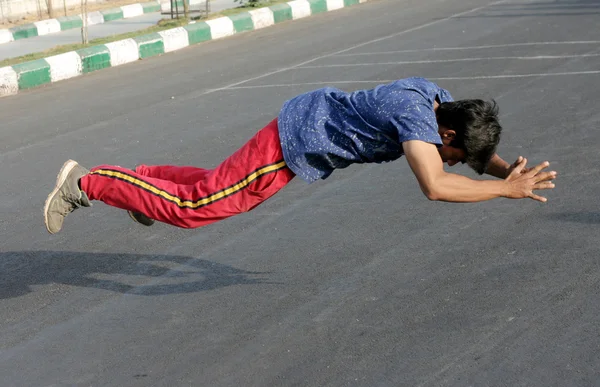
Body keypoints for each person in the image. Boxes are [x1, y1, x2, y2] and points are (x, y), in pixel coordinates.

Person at [43, 77, 557, 234]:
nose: (448, 158)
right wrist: (505, 188)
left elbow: (458, 159)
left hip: (299, 133)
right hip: (295, 141)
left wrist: (500, 167)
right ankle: (86, 183)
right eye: (452, 151)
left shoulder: (436, 101)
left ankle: (140, 188)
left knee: (214, 185)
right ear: (443, 131)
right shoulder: (416, 119)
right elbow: (436, 186)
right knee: (200, 208)